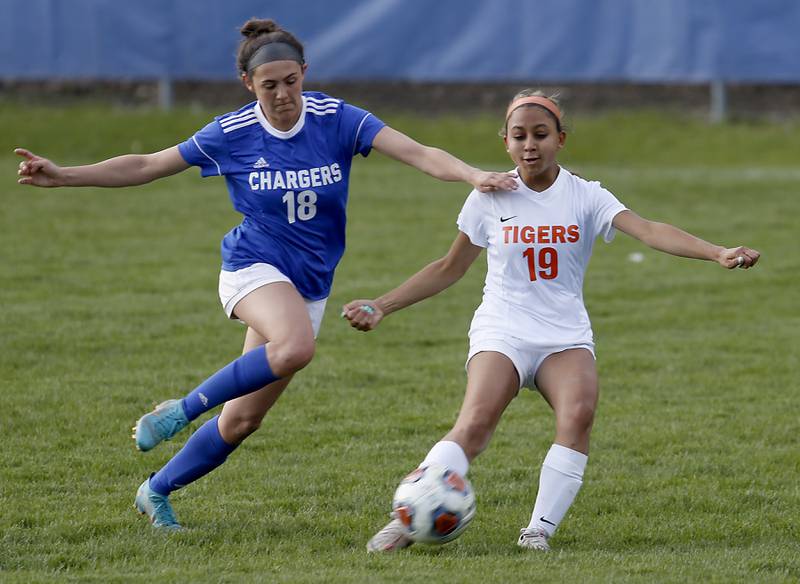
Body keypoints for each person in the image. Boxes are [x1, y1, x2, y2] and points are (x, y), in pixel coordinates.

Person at [15, 18, 516, 530]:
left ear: (304, 73)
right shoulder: (231, 133)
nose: (282, 94)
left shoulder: (337, 119)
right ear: (248, 85)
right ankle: (179, 410)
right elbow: (147, 164)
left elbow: (420, 153)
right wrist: (65, 176)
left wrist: (473, 174)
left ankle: (156, 490)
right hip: (253, 266)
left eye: (290, 81)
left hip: (309, 285)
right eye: (268, 84)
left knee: (241, 419)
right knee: (296, 347)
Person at [343, 89, 761, 552]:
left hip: (564, 334)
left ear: (560, 139)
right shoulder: (489, 196)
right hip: (502, 328)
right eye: (519, 135)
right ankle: (408, 518)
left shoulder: (585, 195)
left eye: (540, 135)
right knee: (476, 422)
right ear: (505, 141)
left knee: (578, 416)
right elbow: (449, 268)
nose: (529, 145)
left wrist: (717, 252)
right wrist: (382, 304)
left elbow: (648, 229)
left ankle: (538, 531)